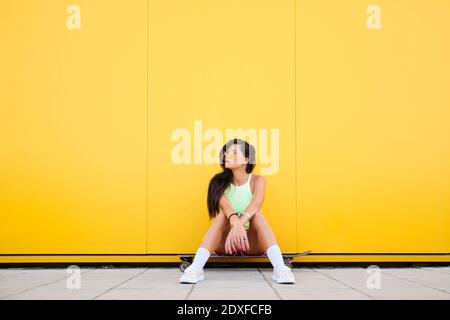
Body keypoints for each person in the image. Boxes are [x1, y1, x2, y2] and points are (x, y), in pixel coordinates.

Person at [179, 138, 295, 284]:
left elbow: (256, 205)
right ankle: (196, 269)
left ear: (246, 159)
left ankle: (280, 269)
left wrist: (239, 225)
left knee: (257, 215)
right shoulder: (219, 183)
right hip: (227, 243)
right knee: (222, 216)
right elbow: (227, 208)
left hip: (251, 243)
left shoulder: (258, 181)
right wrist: (236, 225)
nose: (227, 155)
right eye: (226, 153)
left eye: (233, 152)